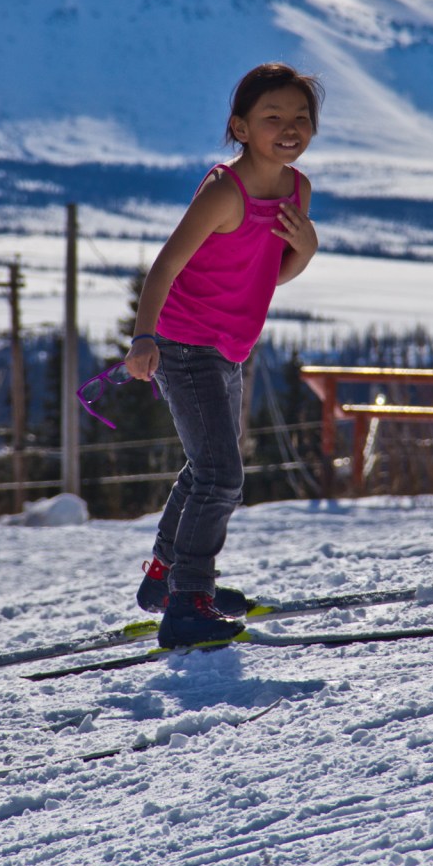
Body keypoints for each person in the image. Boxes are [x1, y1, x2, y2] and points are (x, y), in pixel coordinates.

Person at [124, 62, 323, 646]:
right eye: (272, 117)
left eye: (300, 118)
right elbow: (165, 266)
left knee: (205, 467)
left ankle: (166, 580)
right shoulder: (223, 191)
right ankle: (188, 602)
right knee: (220, 475)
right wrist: (143, 339)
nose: (289, 128)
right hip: (184, 345)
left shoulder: (297, 189)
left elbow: (270, 272)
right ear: (239, 126)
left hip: (231, 347)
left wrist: (306, 250)